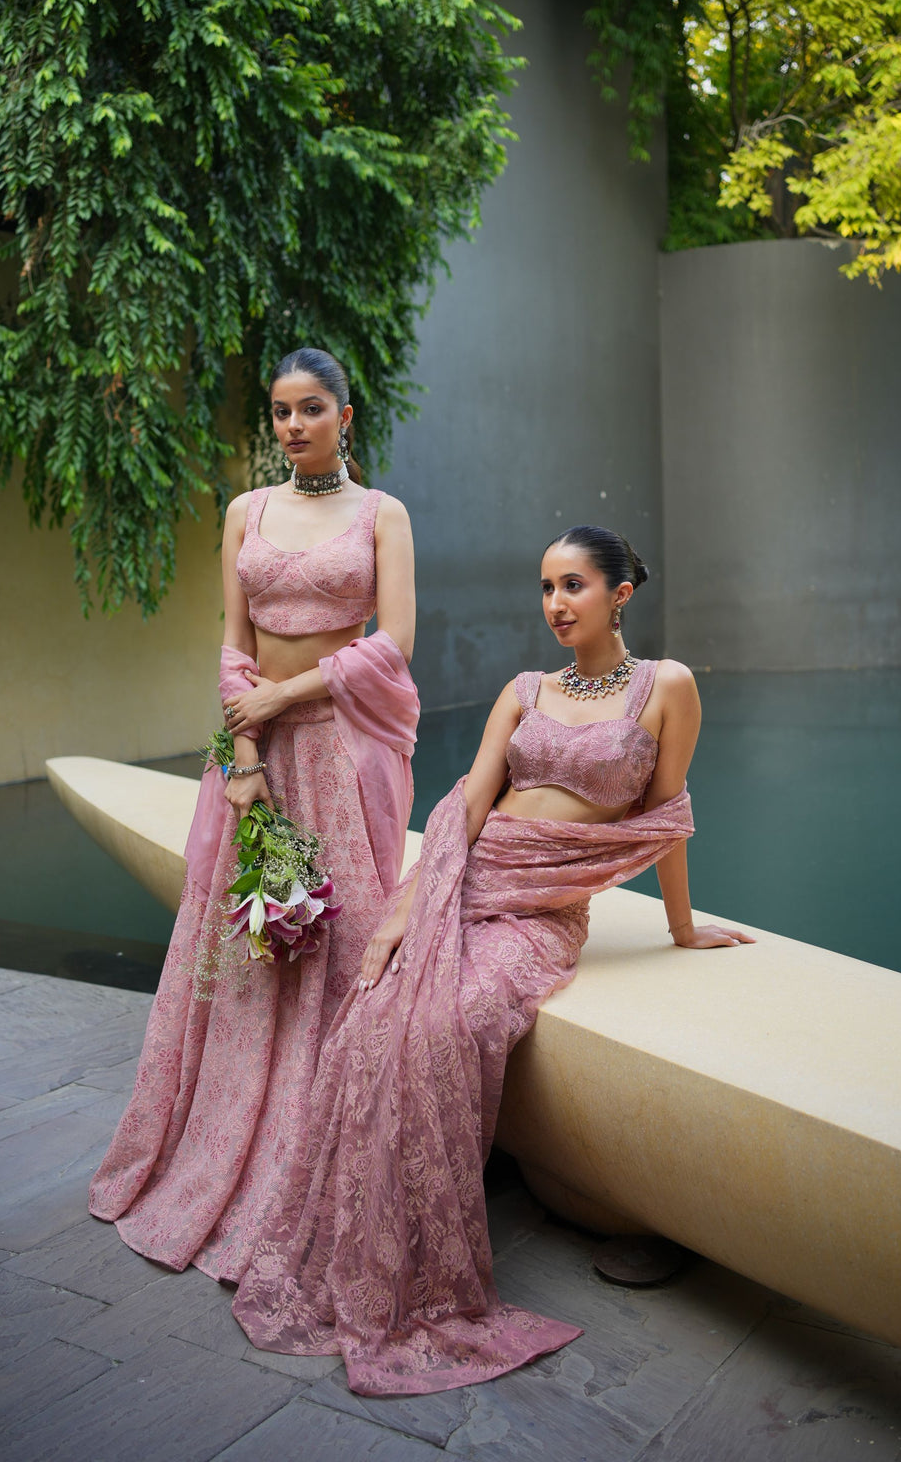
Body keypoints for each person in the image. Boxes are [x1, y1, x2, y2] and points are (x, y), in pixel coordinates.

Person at [230, 525, 754, 1395]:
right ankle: (359, 1247)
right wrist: (404, 911)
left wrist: (683, 928)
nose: (556, 604)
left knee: (457, 1018)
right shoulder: (524, 689)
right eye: (546, 587)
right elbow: (467, 806)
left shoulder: (668, 687)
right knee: (379, 1012)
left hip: (543, 909)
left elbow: (666, 820)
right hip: (466, 877)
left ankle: (421, 1267)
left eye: (574, 586)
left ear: (621, 593)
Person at [88, 347, 419, 1282]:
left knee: (341, 943)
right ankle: (222, 1146)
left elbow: (392, 645)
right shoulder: (245, 512)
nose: (294, 426)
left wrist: (286, 699)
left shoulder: (383, 516)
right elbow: (233, 644)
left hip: (341, 754)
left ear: (345, 416)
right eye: (280, 411)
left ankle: (326, 1148)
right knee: (251, 947)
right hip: (257, 762)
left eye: (312, 408)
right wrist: (241, 754)